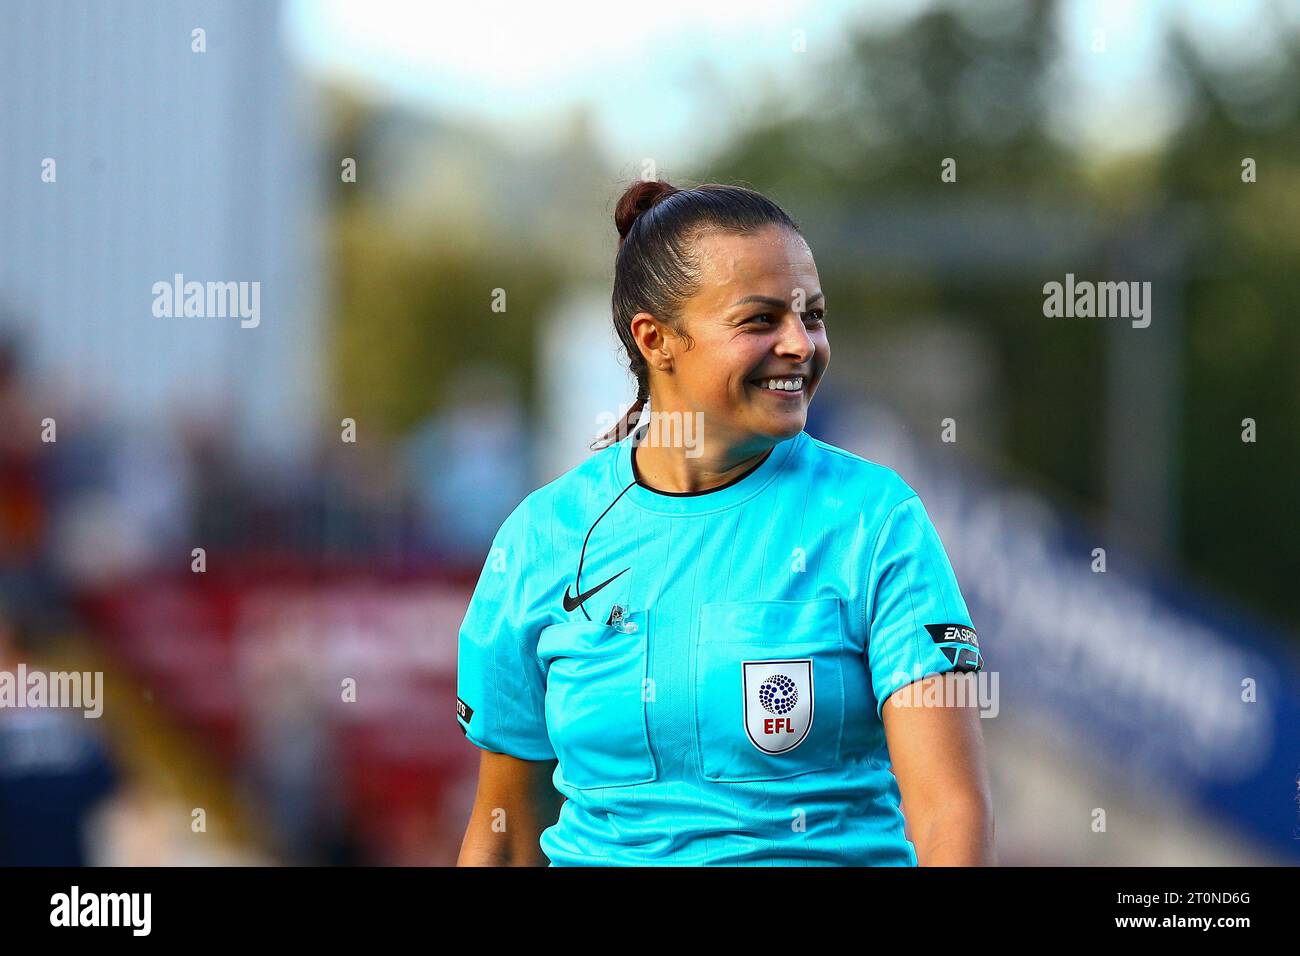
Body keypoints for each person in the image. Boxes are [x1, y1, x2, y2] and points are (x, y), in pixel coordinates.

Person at [456, 180, 994, 865]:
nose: (801, 344)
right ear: (657, 340)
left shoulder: (877, 521)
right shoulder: (541, 539)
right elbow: (504, 835)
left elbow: (951, 815)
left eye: (814, 316)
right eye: (761, 320)